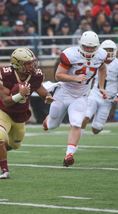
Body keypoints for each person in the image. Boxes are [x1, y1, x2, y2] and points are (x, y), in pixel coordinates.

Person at [43, 31, 108, 167]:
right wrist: (75, 78)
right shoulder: (70, 55)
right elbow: (58, 75)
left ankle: (69, 154)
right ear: (80, 45)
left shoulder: (101, 55)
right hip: (64, 92)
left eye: (92, 47)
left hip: (81, 96)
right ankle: (48, 120)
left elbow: (102, 68)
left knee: (77, 123)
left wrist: (101, 86)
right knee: (52, 125)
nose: (89, 50)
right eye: (86, 47)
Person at [0, 48, 55, 179]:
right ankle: (4, 170)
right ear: (18, 64)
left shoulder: (36, 75)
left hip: (20, 114)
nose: (33, 66)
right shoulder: (5, 74)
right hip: (4, 112)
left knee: (15, 144)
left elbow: (41, 91)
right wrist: (20, 95)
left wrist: (47, 97)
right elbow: (6, 101)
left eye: (32, 62)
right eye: (29, 63)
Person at [81, 40, 118, 135]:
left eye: (110, 50)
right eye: (105, 50)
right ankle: (74, 145)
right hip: (95, 94)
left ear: (115, 51)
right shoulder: (94, 60)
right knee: (85, 117)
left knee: (96, 129)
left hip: (109, 99)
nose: (108, 52)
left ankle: (96, 118)